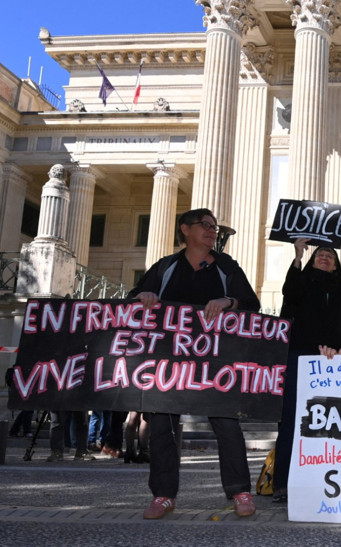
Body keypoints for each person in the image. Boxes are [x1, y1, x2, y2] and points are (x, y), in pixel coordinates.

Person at [131, 208, 259, 519]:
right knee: (161, 425)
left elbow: (252, 304)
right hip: (168, 361)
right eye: (205, 225)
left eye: (214, 226)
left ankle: (240, 491)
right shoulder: (165, 267)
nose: (212, 231)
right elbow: (134, 297)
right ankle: (163, 495)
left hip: (216, 362)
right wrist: (144, 296)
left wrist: (229, 302)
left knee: (227, 425)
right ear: (184, 230)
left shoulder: (227, 268)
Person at [272, 239, 341, 502]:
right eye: (320, 254)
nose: (325, 257)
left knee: (328, 423)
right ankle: (284, 483)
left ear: (335, 266)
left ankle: (322, 479)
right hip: (299, 357)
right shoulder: (302, 282)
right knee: (291, 422)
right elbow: (290, 291)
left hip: (332, 362)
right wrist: (298, 256)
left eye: (330, 255)